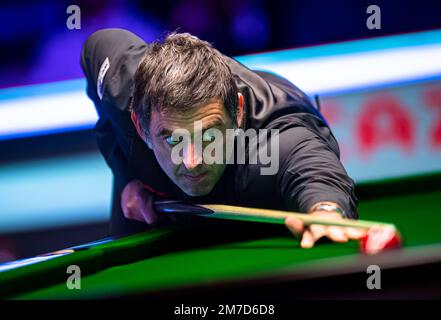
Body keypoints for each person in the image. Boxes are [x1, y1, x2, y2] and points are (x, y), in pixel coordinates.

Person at [81, 28, 364, 248]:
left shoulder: (273, 141)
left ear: (238, 113)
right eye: (173, 140)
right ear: (141, 127)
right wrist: (126, 174)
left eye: (210, 136)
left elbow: (313, 169)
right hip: (151, 210)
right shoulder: (124, 88)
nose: (192, 162)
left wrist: (326, 210)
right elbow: (96, 47)